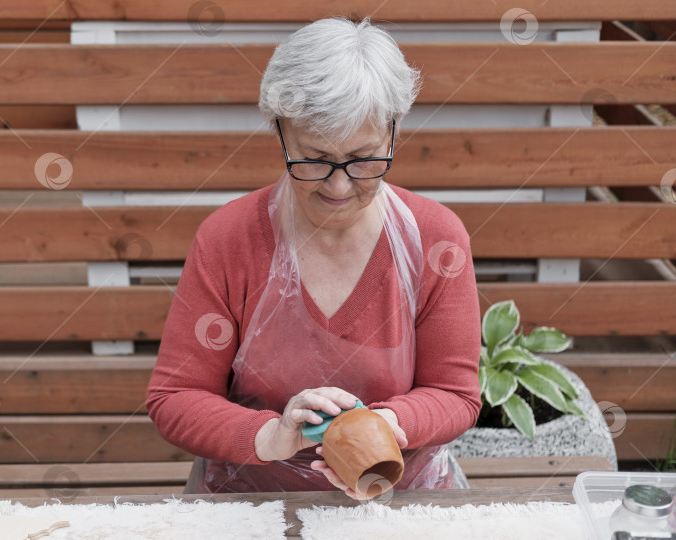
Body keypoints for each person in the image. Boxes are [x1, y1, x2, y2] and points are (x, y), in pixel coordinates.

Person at [146, 17, 481, 497]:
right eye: (315, 159)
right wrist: (271, 435)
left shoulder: (436, 240)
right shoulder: (227, 240)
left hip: (399, 495)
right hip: (252, 502)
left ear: (395, 129)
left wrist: (379, 427)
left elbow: (455, 395)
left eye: (365, 158)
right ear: (279, 130)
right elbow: (176, 397)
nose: (340, 185)